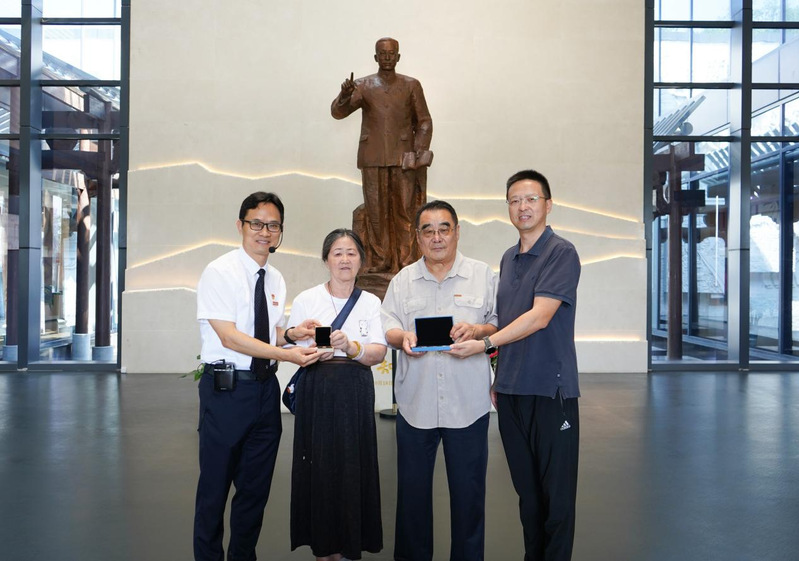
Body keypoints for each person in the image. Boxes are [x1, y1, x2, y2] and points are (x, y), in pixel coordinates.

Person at [449, 170, 581, 561]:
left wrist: (485, 343)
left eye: (531, 199)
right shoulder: (508, 259)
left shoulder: (562, 253)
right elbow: (506, 321)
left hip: (551, 391)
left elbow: (539, 316)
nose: (522, 207)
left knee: (556, 500)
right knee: (528, 496)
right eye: (514, 200)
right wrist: (489, 353)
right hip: (510, 390)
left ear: (548, 205)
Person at [194, 191, 321, 561]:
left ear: (280, 231)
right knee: (214, 490)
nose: (265, 232)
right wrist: (286, 354)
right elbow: (230, 337)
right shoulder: (219, 272)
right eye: (257, 224)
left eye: (273, 226)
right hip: (227, 393)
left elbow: (267, 332)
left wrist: (293, 334)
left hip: (265, 393)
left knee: (255, 491)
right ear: (241, 226)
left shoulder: (275, 278)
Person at [381, 200, 498, 561]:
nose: (437, 237)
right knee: (412, 499)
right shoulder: (402, 281)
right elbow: (388, 326)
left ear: (457, 232)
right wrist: (402, 338)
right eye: (428, 230)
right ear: (417, 237)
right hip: (416, 405)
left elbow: (498, 323)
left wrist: (476, 330)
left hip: (468, 404)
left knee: (469, 497)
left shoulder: (482, 275)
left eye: (444, 229)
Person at [285, 229, 387, 561]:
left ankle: (348, 545)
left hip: (355, 393)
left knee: (353, 465)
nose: (344, 259)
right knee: (318, 465)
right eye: (337, 253)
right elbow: (291, 347)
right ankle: (322, 547)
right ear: (326, 259)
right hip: (317, 390)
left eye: (351, 253)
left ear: (361, 260)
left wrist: (351, 347)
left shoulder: (371, 302)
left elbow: (378, 353)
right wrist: (314, 351)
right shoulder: (307, 299)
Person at [331, 37, 433, 276]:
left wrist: (418, 152)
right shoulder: (363, 85)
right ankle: (380, 261)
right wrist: (344, 95)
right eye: (383, 54)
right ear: (376, 57)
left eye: (391, 53)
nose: (387, 57)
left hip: (404, 159)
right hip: (373, 157)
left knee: (405, 210)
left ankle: (407, 262)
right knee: (375, 213)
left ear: (398, 57)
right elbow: (338, 113)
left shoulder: (411, 85)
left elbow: (424, 121)